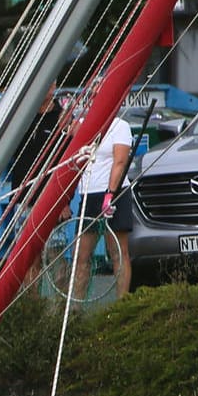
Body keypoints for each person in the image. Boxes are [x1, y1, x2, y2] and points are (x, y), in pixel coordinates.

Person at [73, 113, 135, 302]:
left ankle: (121, 304)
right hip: (89, 194)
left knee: (117, 251)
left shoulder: (120, 125)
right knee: (82, 254)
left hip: (114, 192)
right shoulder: (82, 124)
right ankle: (76, 307)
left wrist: (110, 193)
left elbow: (120, 161)